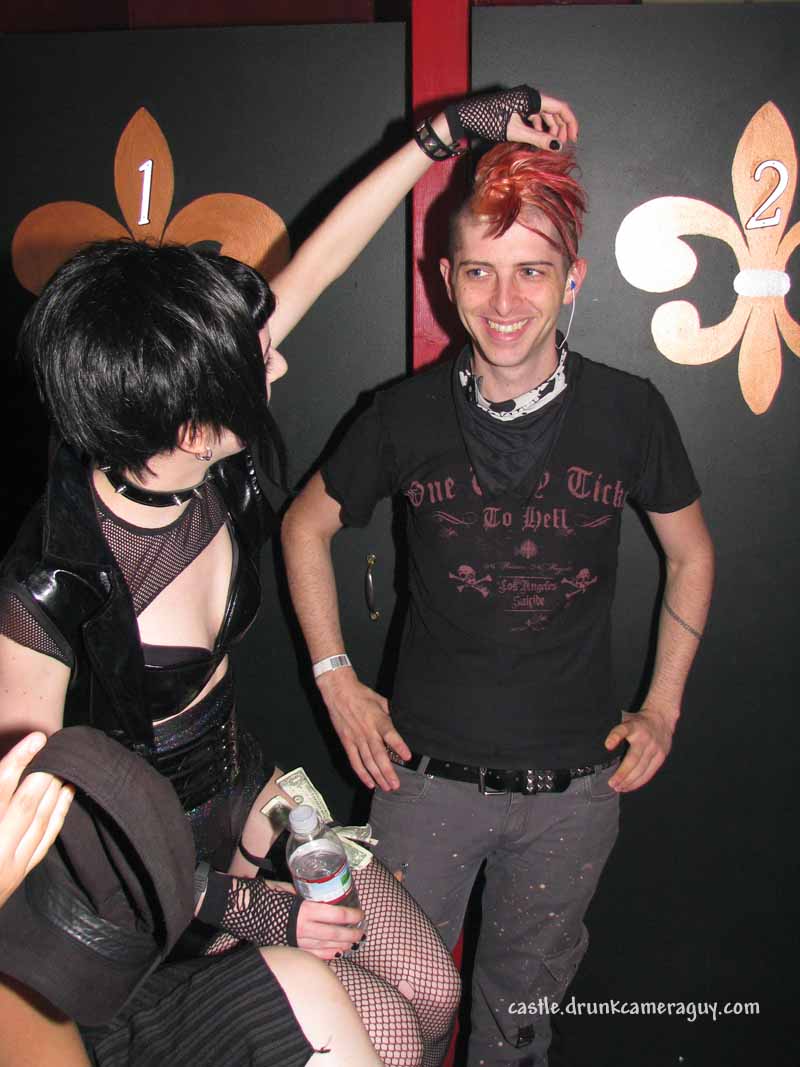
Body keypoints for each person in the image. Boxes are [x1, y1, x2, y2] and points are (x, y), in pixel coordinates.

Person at [0, 87, 577, 1066]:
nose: (275, 360)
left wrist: (449, 132)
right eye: (251, 364)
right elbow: (59, 856)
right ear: (187, 423)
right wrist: (257, 909)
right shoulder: (47, 593)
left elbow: (318, 260)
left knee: (432, 988)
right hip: (160, 892)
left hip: (256, 793)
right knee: (383, 1028)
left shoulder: (189, 444)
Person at [281, 142, 716, 1066]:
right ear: (446, 280)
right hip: (421, 785)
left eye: (532, 270)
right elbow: (302, 527)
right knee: (388, 1021)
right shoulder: (400, 415)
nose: (505, 299)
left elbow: (691, 553)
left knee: (516, 1032)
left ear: (573, 278)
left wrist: (664, 705)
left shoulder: (630, 412)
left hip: (574, 796)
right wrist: (336, 678)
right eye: (480, 271)